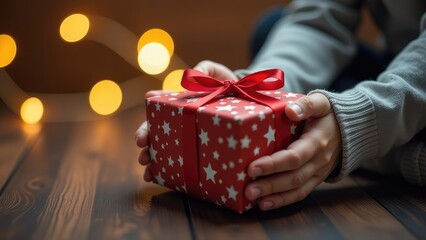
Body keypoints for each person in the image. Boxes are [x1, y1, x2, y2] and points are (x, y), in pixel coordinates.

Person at [136, 0, 426, 211]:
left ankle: (394, 157)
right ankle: (338, 137)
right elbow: (319, 19)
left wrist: (357, 120)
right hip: (399, 65)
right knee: (270, 27)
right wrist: (249, 90)